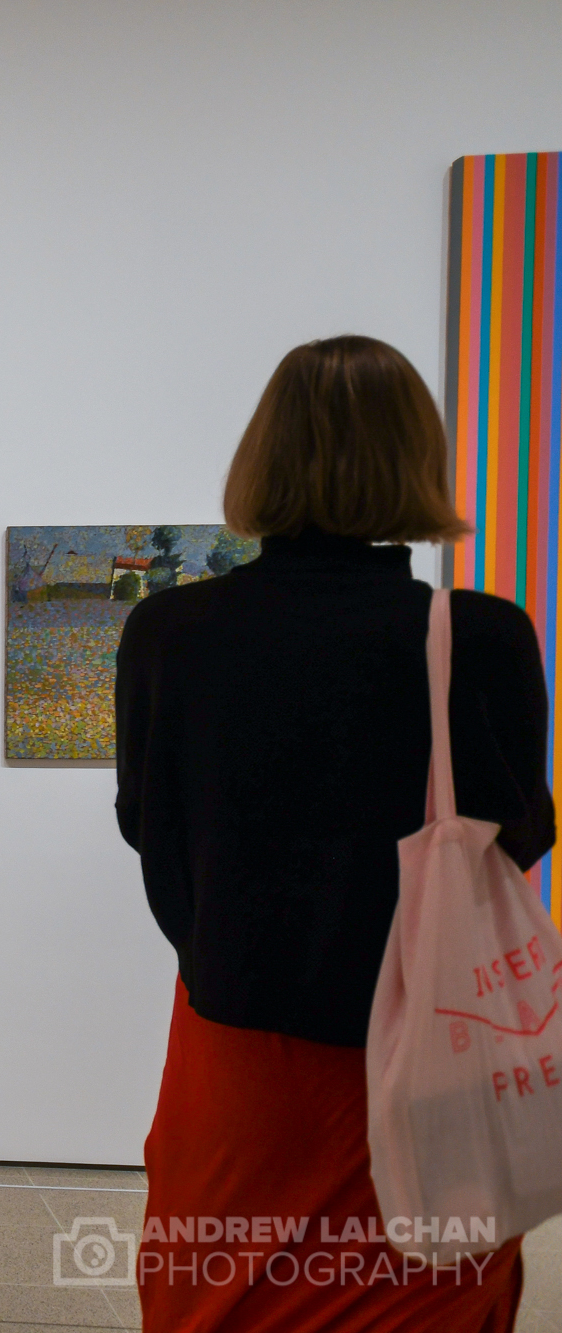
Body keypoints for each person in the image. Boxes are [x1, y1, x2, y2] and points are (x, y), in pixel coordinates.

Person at [114, 335, 554, 1331]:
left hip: (236, 1058)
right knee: (419, 1297)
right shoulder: (475, 634)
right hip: (430, 1052)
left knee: (217, 1299)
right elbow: (517, 835)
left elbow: (148, 828)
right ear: (413, 458)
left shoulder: (167, 633)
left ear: (259, 457)